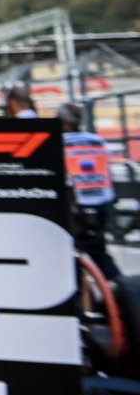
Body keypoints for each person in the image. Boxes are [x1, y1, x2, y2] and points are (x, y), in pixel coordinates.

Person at [61, 103, 121, 280]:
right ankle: (121, 290)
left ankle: (79, 294)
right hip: (102, 203)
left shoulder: (60, 143)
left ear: (64, 122)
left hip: (77, 208)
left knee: (71, 257)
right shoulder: (98, 141)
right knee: (99, 253)